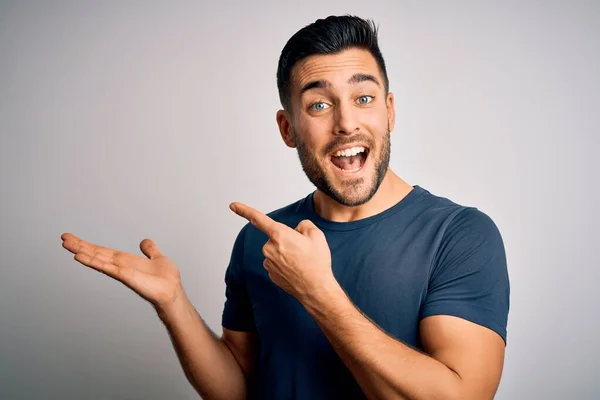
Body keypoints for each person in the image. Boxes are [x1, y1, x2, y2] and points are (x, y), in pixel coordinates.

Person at [61, 15, 510, 400]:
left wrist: (319, 293)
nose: (346, 121)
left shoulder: (460, 235)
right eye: (318, 104)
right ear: (288, 128)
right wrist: (174, 304)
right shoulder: (262, 239)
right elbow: (237, 387)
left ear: (389, 112)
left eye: (364, 98)